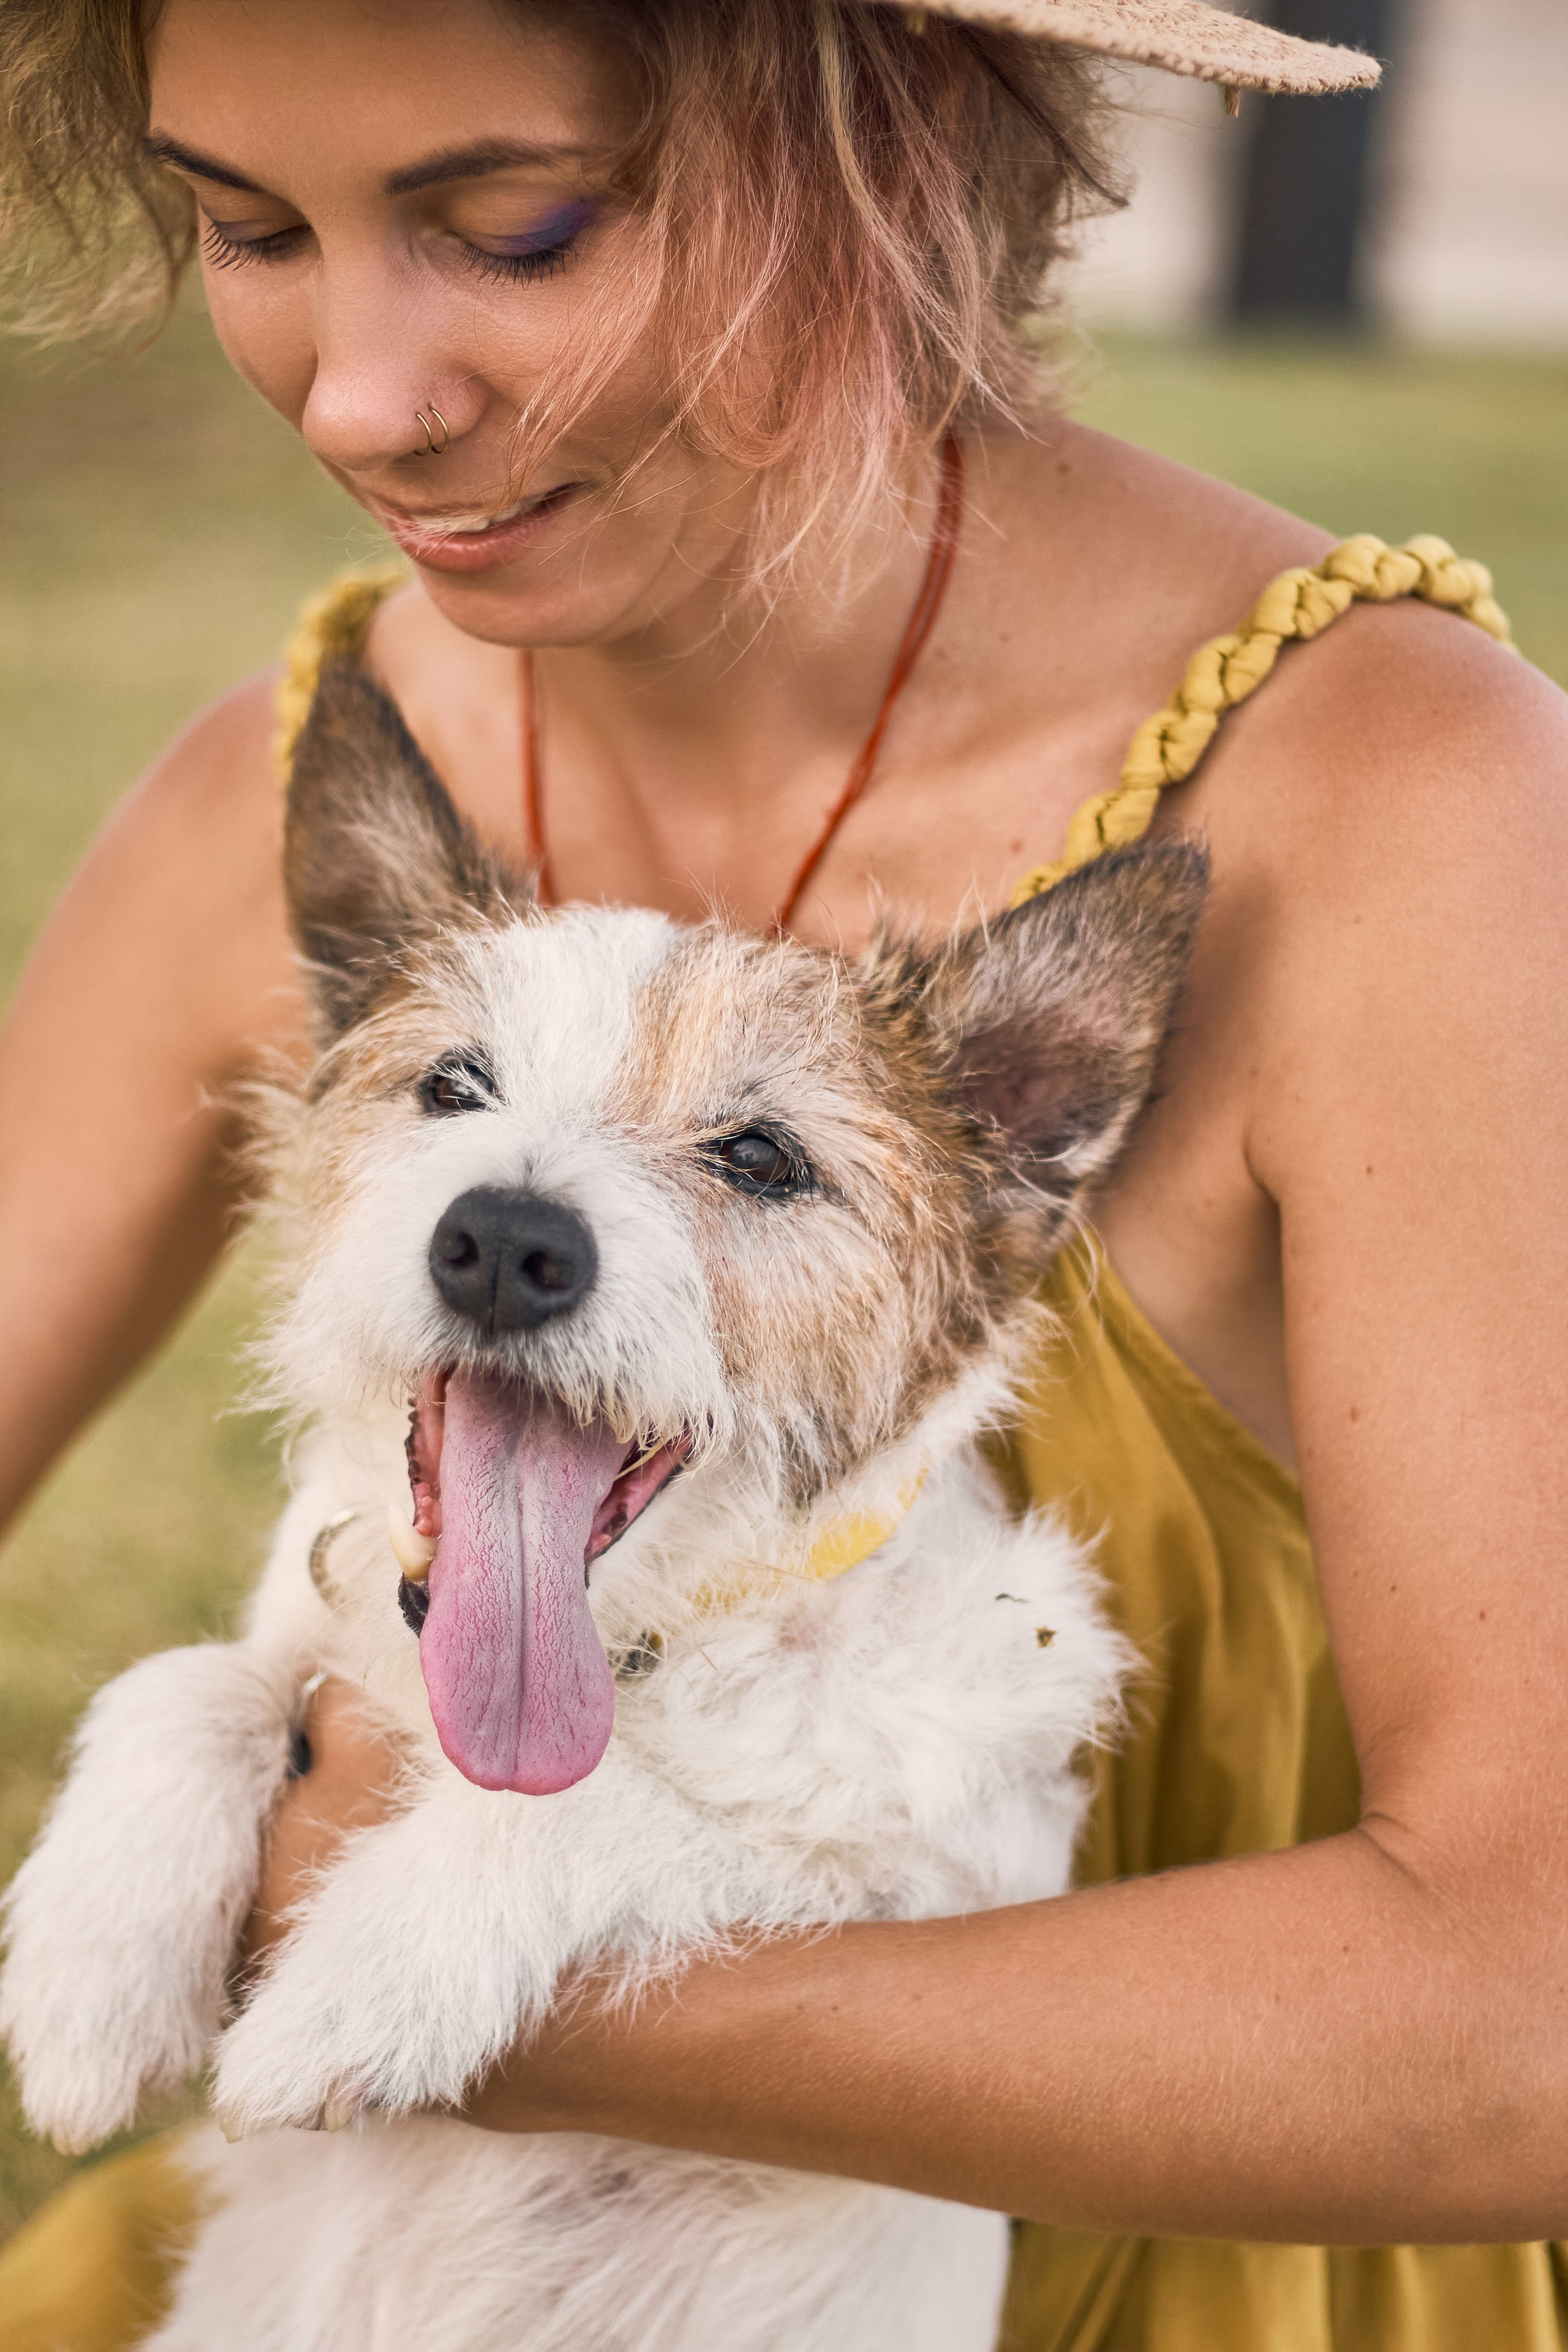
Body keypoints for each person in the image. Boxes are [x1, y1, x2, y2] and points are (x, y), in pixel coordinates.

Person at [1, 1, 1566, 2345]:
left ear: (899, 149)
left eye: (513, 229)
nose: (354, 399)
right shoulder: (299, 790)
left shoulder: (1415, 822)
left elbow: (1523, 2028)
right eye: (248, 226)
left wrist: (462, 1940)